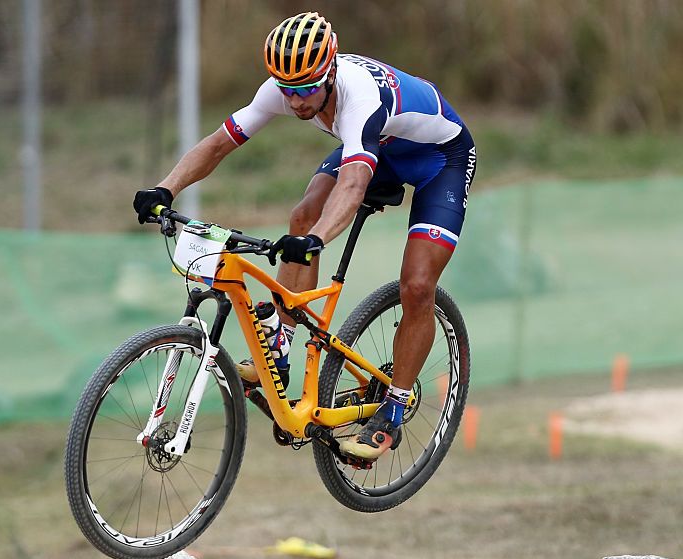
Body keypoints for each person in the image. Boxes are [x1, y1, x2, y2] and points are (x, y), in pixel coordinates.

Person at [133, 11, 476, 462]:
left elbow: (353, 184)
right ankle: (281, 343)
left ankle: (395, 406)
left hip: (440, 159)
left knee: (416, 285)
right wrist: (166, 187)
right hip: (380, 145)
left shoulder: (359, 99)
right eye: (288, 90)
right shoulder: (283, 88)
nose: (296, 102)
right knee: (302, 214)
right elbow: (219, 143)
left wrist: (316, 240)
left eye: (307, 89)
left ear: (330, 72)